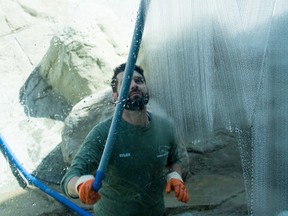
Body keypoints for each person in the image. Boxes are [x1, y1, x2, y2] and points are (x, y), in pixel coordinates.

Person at [61, 63, 189, 216]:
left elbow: (175, 160)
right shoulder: (103, 134)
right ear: (115, 97)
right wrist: (80, 186)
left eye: (139, 81)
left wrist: (175, 176)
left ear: (147, 89)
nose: (134, 85)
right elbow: (70, 178)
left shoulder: (166, 127)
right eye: (126, 83)